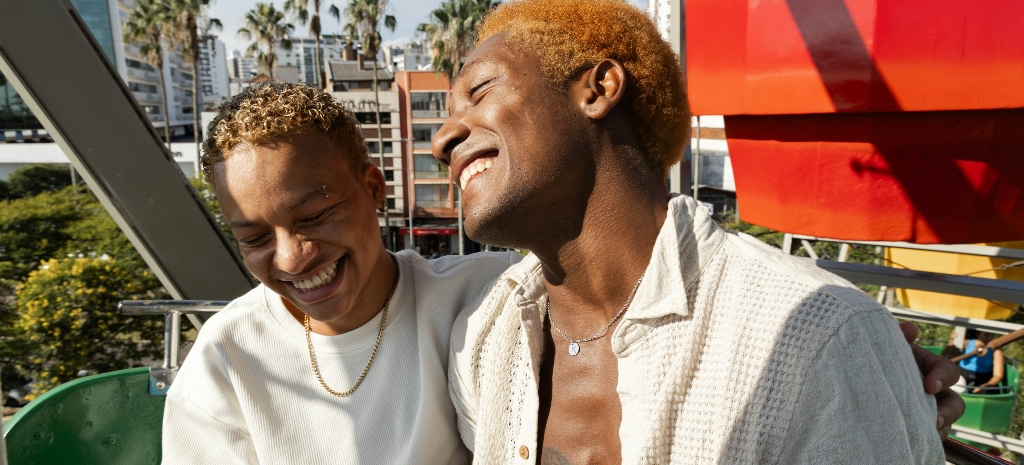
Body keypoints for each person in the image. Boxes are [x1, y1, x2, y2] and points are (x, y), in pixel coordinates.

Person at [437, 0, 948, 463]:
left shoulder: (817, 337)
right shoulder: (483, 339)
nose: (442, 139)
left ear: (598, 89)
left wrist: (865, 356)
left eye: (479, 91)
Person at [160, 83, 519, 463]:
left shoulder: (492, 292)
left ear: (374, 189)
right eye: (254, 238)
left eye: (315, 217)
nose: (291, 260)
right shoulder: (227, 352)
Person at [959, 330, 1006, 394]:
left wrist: (986, 386)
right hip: (962, 375)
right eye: (986, 335)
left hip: (982, 380)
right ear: (978, 334)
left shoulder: (995, 351)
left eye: (992, 335)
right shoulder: (966, 343)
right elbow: (952, 351)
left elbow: (998, 375)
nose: (989, 338)